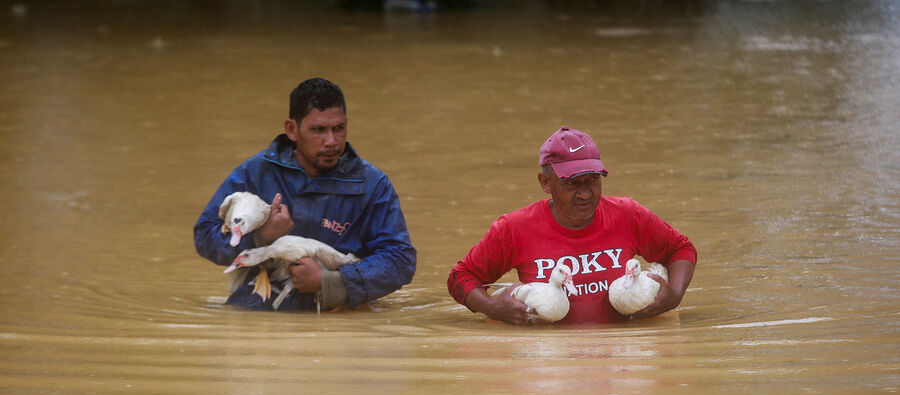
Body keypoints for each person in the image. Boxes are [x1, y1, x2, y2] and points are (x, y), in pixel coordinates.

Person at [194, 77, 416, 311]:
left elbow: (400, 260)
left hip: (337, 317)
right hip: (257, 310)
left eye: (338, 128)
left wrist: (332, 282)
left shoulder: (373, 183)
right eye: (318, 130)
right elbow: (205, 236)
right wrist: (260, 238)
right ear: (292, 129)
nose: (332, 141)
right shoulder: (256, 172)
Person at [447, 126, 697, 325]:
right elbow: (461, 277)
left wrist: (673, 296)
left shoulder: (628, 214)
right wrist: (492, 308)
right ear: (545, 183)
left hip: (620, 364)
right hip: (553, 368)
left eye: (592, 181)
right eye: (572, 184)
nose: (585, 194)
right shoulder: (514, 228)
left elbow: (681, 250)